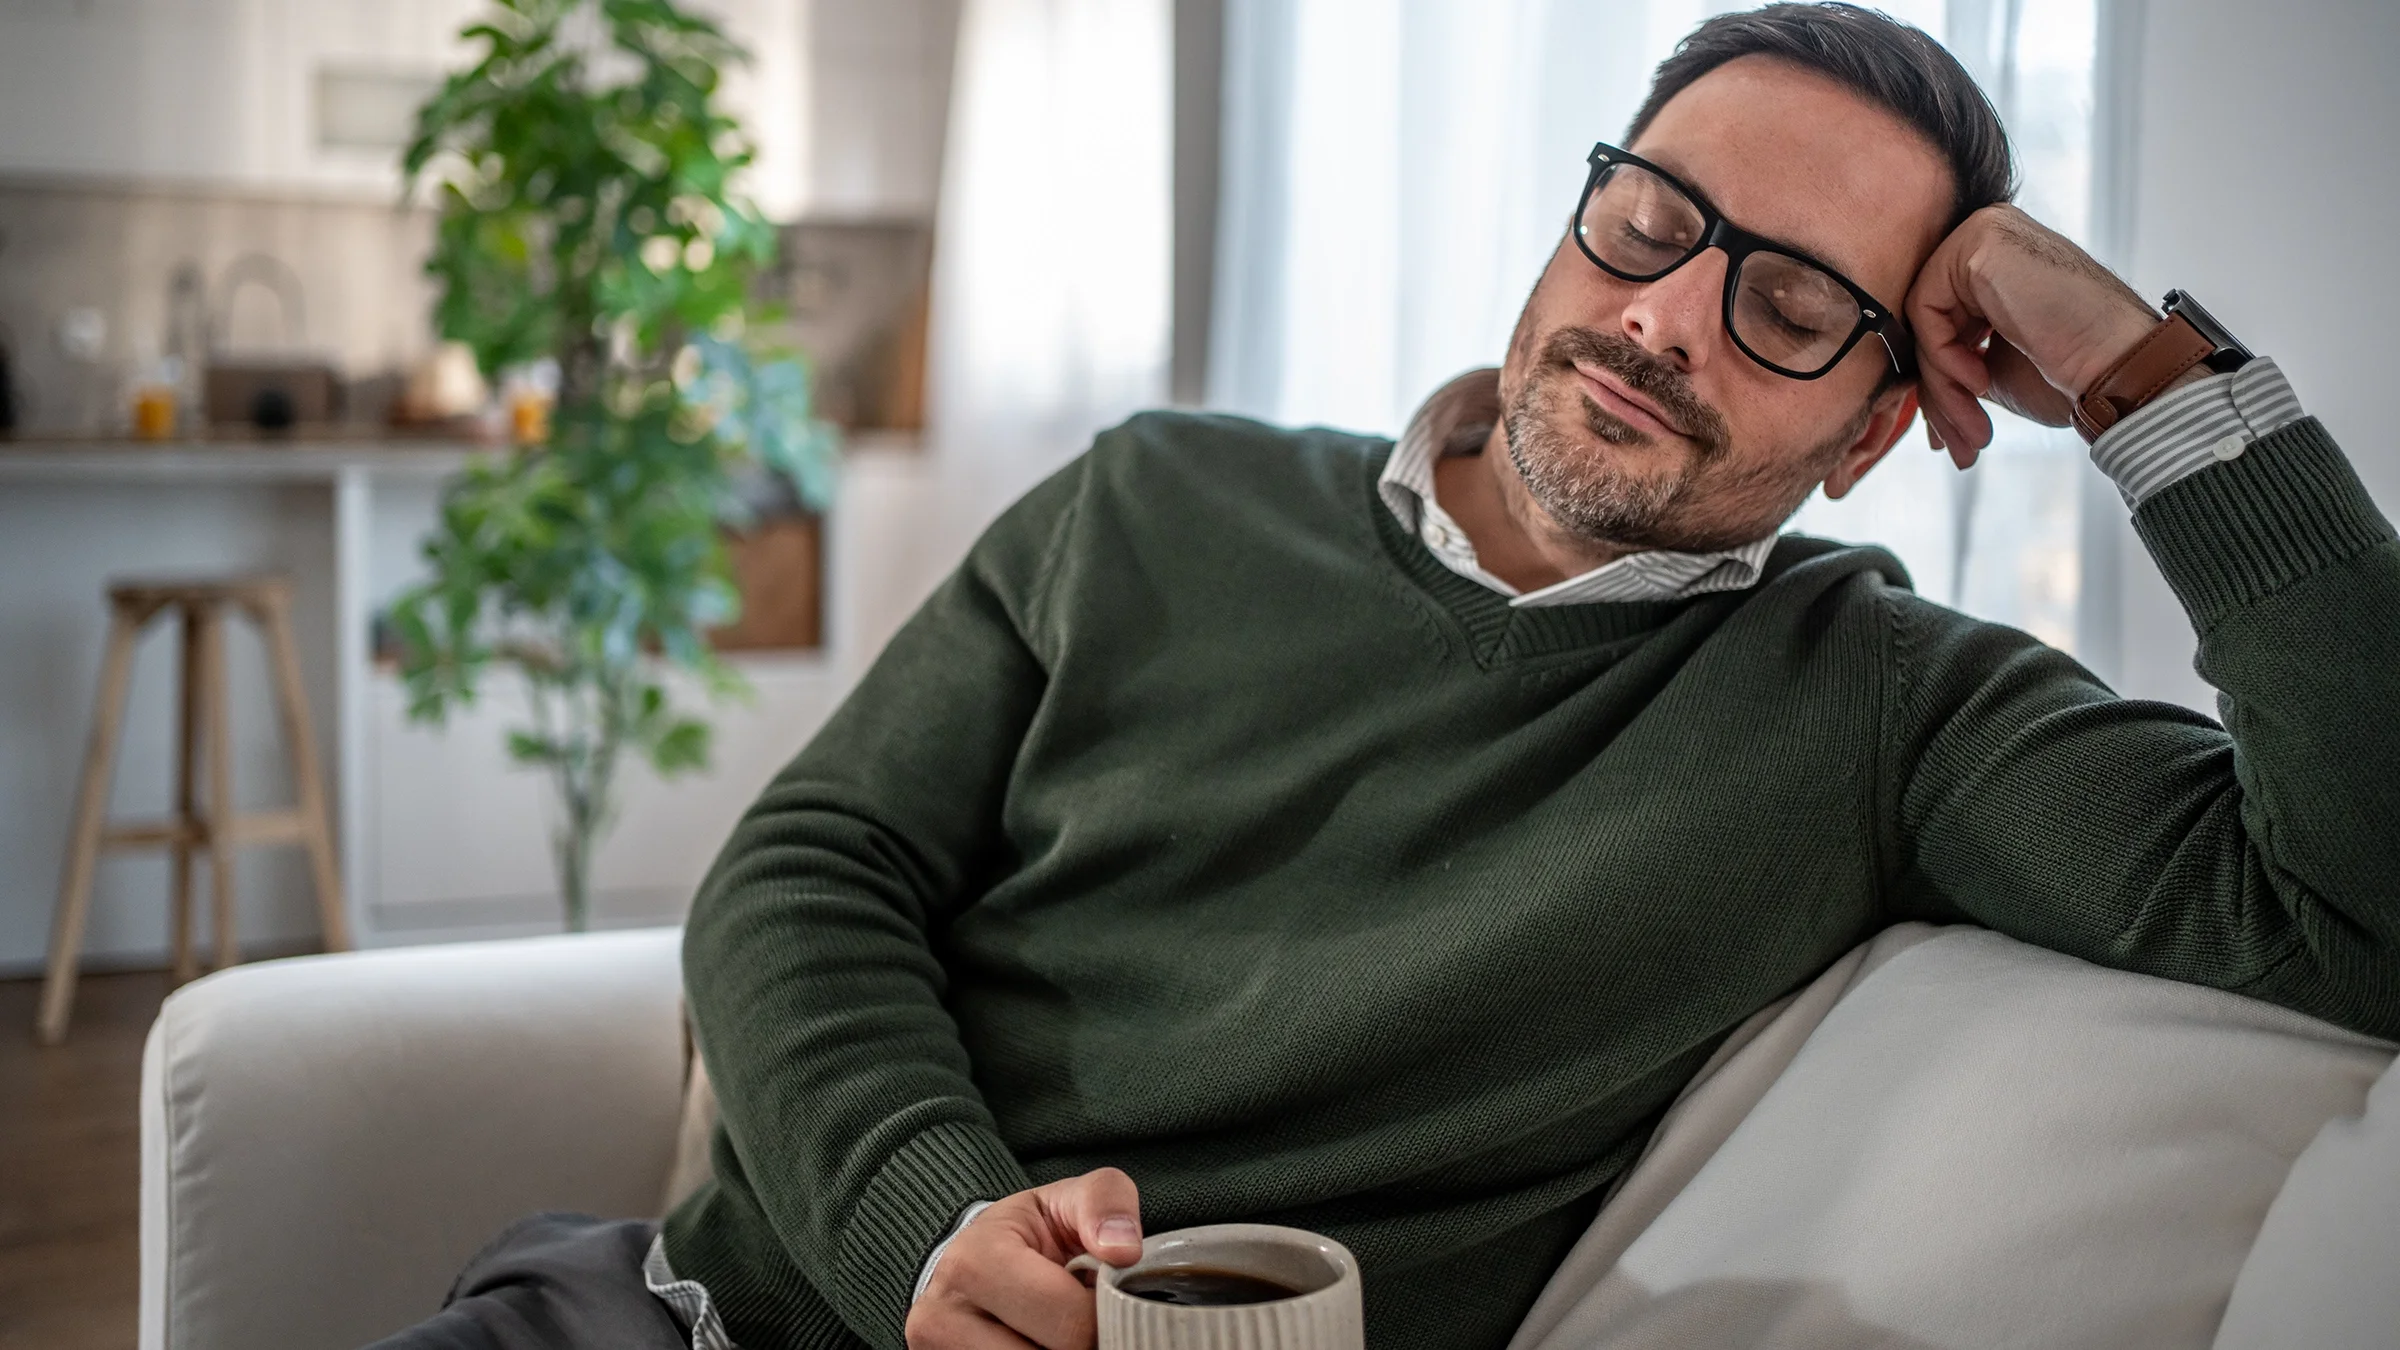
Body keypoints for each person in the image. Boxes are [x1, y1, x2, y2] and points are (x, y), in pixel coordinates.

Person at [371, 5, 2400, 1350]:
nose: (1665, 317)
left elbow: (2365, 906)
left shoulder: (1887, 707)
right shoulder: (1155, 497)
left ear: (1877, 427)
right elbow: (809, 868)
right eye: (1648, 221)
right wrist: (926, 1228)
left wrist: (2148, 377)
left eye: (1787, 302)